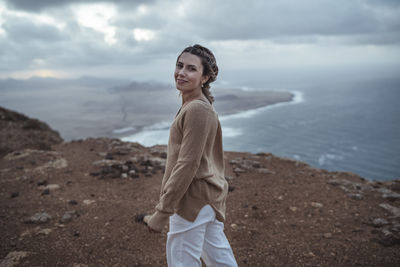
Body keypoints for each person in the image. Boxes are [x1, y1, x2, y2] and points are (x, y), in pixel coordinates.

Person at [145, 44, 238, 267]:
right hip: (205, 200)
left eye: (191, 69)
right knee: (220, 260)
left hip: (192, 200)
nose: (181, 72)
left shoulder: (198, 109)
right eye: (179, 66)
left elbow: (187, 164)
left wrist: (162, 211)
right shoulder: (194, 106)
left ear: (205, 77)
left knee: (182, 262)